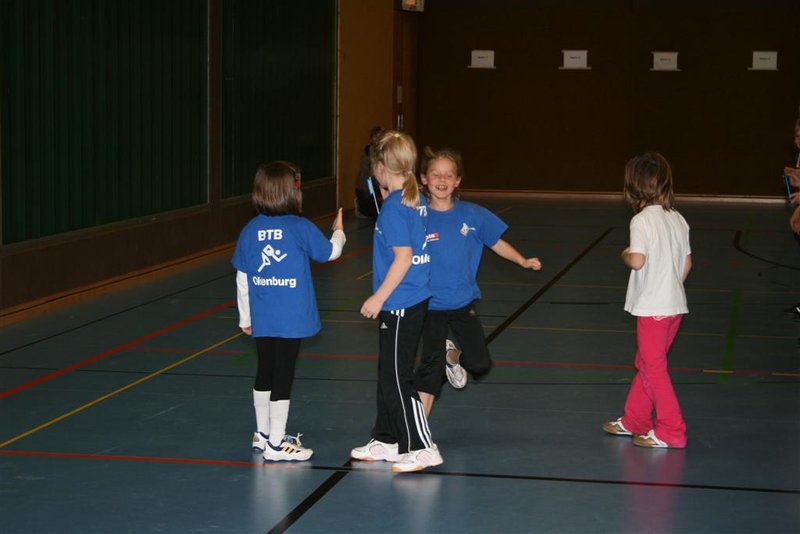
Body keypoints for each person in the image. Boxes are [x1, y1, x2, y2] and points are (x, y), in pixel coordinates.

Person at [415, 146, 542, 416]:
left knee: (479, 364)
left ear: (458, 181)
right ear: (424, 179)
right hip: (429, 304)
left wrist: (521, 260)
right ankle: (419, 429)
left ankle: (452, 356)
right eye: (435, 174)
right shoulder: (417, 216)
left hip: (462, 302)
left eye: (449, 175)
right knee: (429, 368)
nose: (442, 180)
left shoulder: (472, 214)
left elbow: (496, 242)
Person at [233, 161, 346, 462]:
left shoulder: (249, 230)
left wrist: (245, 318)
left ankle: (262, 434)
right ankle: (276, 444)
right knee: (283, 373)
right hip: (291, 318)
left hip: (263, 317)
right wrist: (339, 231)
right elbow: (331, 252)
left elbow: (242, 278)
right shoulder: (299, 227)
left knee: (265, 370)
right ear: (291, 192)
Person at [350, 130, 442, 473]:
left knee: (398, 376)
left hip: (401, 300)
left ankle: (422, 446)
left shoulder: (393, 208)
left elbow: (402, 258)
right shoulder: (413, 199)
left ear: (379, 168)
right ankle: (386, 437)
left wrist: (379, 297)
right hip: (412, 297)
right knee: (387, 372)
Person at [602, 152, 692, 449]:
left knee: (654, 369)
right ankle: (636, 420)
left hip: (654, 307)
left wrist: (625, 253)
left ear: (633, 187)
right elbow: (687, 264)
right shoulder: (677, 218)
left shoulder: (641, 221)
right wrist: (670, 287)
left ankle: (671, 430)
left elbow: (638, 260)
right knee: (648, 363)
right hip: (674, 306)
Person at [354, 126, 386, 219]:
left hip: (372, 181)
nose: (378, 139)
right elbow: (370, 172)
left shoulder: (382, 150)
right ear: (371, 139)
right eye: (375, 137)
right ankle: (361, 206)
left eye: (380, 137)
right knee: (374, 208)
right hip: (367, 182)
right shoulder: (370, 150)